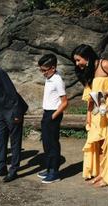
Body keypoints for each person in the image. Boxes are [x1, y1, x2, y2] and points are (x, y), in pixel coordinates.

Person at [71, 44, 108, 187]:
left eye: (78, 60)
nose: (77, 64)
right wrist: (88, 116)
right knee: (98, 143)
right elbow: (90, 98)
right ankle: (101, 173)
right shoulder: (87, 72)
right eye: (75, 61)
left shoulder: (104, 64)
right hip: (97, 112)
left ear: (87, 57)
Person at [36, 54, 68, 183]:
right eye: (41, 70)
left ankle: (55, 173)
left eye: (45, 70)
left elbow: (65, 102)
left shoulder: (57, 80)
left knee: (53, 144)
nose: (43, 73)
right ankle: (49, 168)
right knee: (46, 143)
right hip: (47, 113)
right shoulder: (49, 78)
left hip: (53, 114)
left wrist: (53, 116)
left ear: (53, 68)